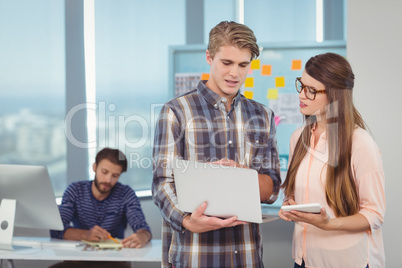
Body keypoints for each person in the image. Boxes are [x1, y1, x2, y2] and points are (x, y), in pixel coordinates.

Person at [152, 21, 281, 268]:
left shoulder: (263, 116)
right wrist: (187, 220)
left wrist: (241, 175)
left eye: (243, 65)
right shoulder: (176, 112)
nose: (235, 73)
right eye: (227, 63)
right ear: (209, 57)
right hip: (194, 256)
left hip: (246, 257)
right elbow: (162, 183)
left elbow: (272, 187)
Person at [278, 53, 385, 268]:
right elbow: (292, 195)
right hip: (304, 259)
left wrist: (329, 224)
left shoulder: (360, 143)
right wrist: (289, 206)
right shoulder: (298, 138)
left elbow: (374, 214)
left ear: (335, 96)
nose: (301, 94)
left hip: (347, 261)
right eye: (301, 85)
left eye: (312, 90)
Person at [50, 147, 152, 268]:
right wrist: (86, 235)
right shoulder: (75, 190)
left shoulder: (126, 194)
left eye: (115, 175)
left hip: (115, 260)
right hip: (78, 259)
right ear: (94, 167)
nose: (108, 180)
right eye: (104, 172)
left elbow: (143, 228)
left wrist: (142, 236)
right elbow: (56, 229)